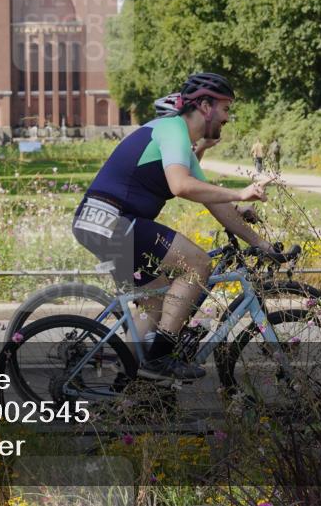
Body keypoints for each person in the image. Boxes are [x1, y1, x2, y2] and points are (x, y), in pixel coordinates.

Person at [73, 73, 274, 380]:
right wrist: (239, 192)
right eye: (225, 108)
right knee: (197, 263)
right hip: (112, 220)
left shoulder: (181, 143)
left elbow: (214, 203)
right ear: (205, 106)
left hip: (100, 222)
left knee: (157, 300)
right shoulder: (173, 129)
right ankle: (160, 359)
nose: (228, 118)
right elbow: (181, 186)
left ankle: (134, 389)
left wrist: (262, 244)